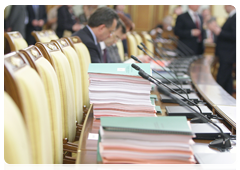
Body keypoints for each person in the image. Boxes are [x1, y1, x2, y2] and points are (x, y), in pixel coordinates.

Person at [208, 5, 238, 95]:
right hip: (226, 54)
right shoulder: (232, 16)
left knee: (221, 80)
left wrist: (219, 31)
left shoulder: (236, 16)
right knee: (227, 81)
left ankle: (215, 103)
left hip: (228, 54)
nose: (224, 7)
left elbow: (235, 35)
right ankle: (228, 101)